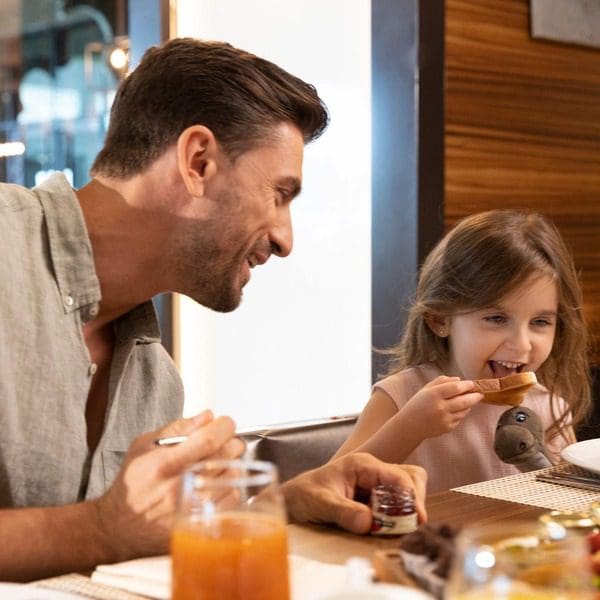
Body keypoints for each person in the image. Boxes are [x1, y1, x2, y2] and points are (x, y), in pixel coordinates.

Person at [0, 38, 426, 581]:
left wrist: (284, 505)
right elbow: (103, 530)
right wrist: (98, 530)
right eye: (280, 193)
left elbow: (131, 538)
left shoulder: (156, 384)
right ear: (197, 161)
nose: (284, 239)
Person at [333, 210, 590, 493]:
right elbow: (331, 487)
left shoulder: (549, 406)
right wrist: (411, 426)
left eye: (540, 322)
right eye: (496, 318)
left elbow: (572, 500)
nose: (522, 344)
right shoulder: (402, 397)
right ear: (441, 320)